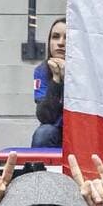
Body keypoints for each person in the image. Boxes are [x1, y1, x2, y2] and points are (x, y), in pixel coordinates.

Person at [30, 17, 65, 146]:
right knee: (43, 133)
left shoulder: (88, 71)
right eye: (55, 37)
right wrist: (56, 79)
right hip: (56, 130)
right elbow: (45, 117)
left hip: (82, 129)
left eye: (67, 38)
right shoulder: (41, 71)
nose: (60, 43)